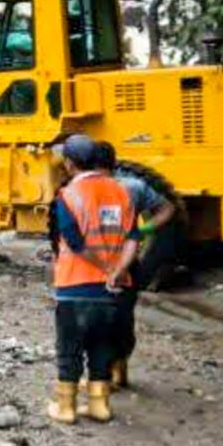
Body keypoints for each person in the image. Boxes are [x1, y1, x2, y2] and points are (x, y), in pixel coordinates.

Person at [46, 134, 140, 425]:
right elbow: (133, 239)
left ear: (69, 163)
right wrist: (117, 270)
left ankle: (66, 407)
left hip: (74, 285)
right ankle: (99, 405)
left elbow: (74, 242)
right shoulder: (122, 192)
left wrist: (104, 267)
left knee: (69, 348)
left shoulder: (68, 195)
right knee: (102, 347)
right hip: (112, 289)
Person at [94, 141, 177, 389]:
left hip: (95, 265)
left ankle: (106, 373)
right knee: (122, 317)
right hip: (127, 263)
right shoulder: (134, 186)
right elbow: (167, 209)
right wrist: (144, 230)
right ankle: (119, 368)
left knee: (98, 319)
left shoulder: (81, 189)